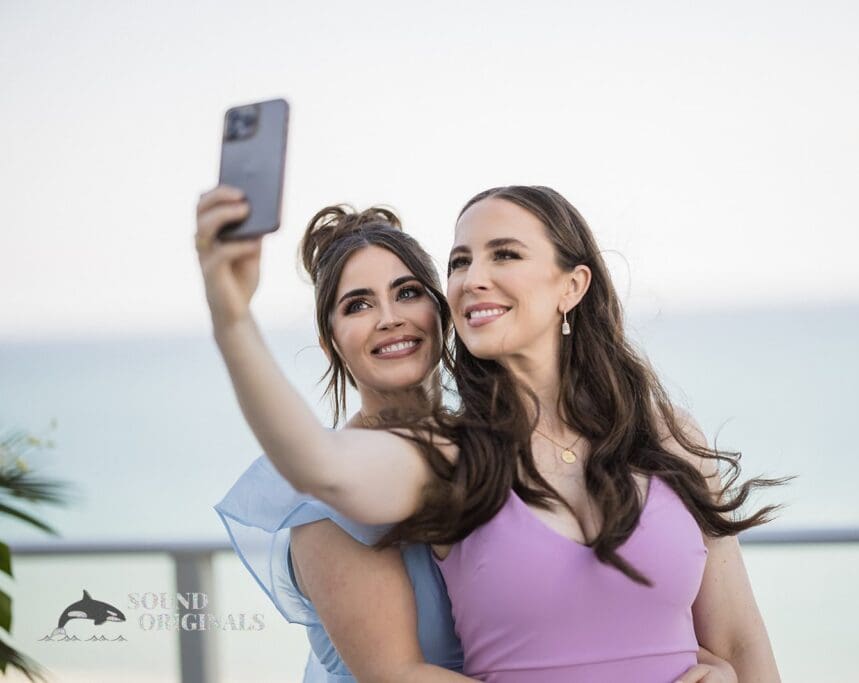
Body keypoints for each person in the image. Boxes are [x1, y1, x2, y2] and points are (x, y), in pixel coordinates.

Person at [196, 184, 771, 681]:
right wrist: (231, 315)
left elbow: (740, 641)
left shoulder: (668, 437)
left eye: (504, 254)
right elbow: (317, 465)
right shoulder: (446, 458)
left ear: (572, 287)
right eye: (460, 262)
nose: (474, 279)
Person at [203, 195, 468, 682]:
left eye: (408, 292)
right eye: (358, 305)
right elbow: (398, 676)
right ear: (331, 343)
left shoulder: (485, 442)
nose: (389, 318)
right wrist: (232, 318)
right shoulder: (326, 506)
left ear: (442, 311)